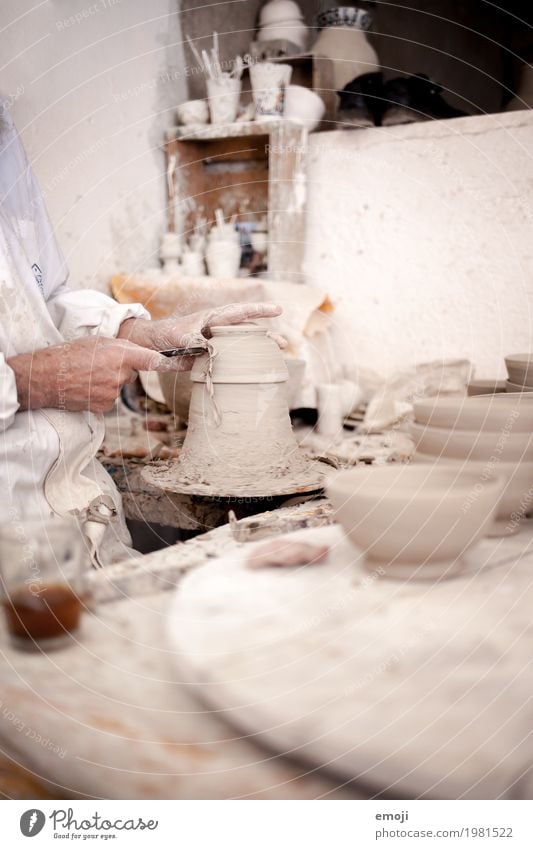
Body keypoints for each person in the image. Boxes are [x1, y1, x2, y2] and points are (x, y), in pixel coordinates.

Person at [0, 107, 282, 565]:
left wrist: (141, 331)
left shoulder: (2, 130)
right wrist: (25, 381)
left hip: (78, 500)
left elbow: (42, 295)